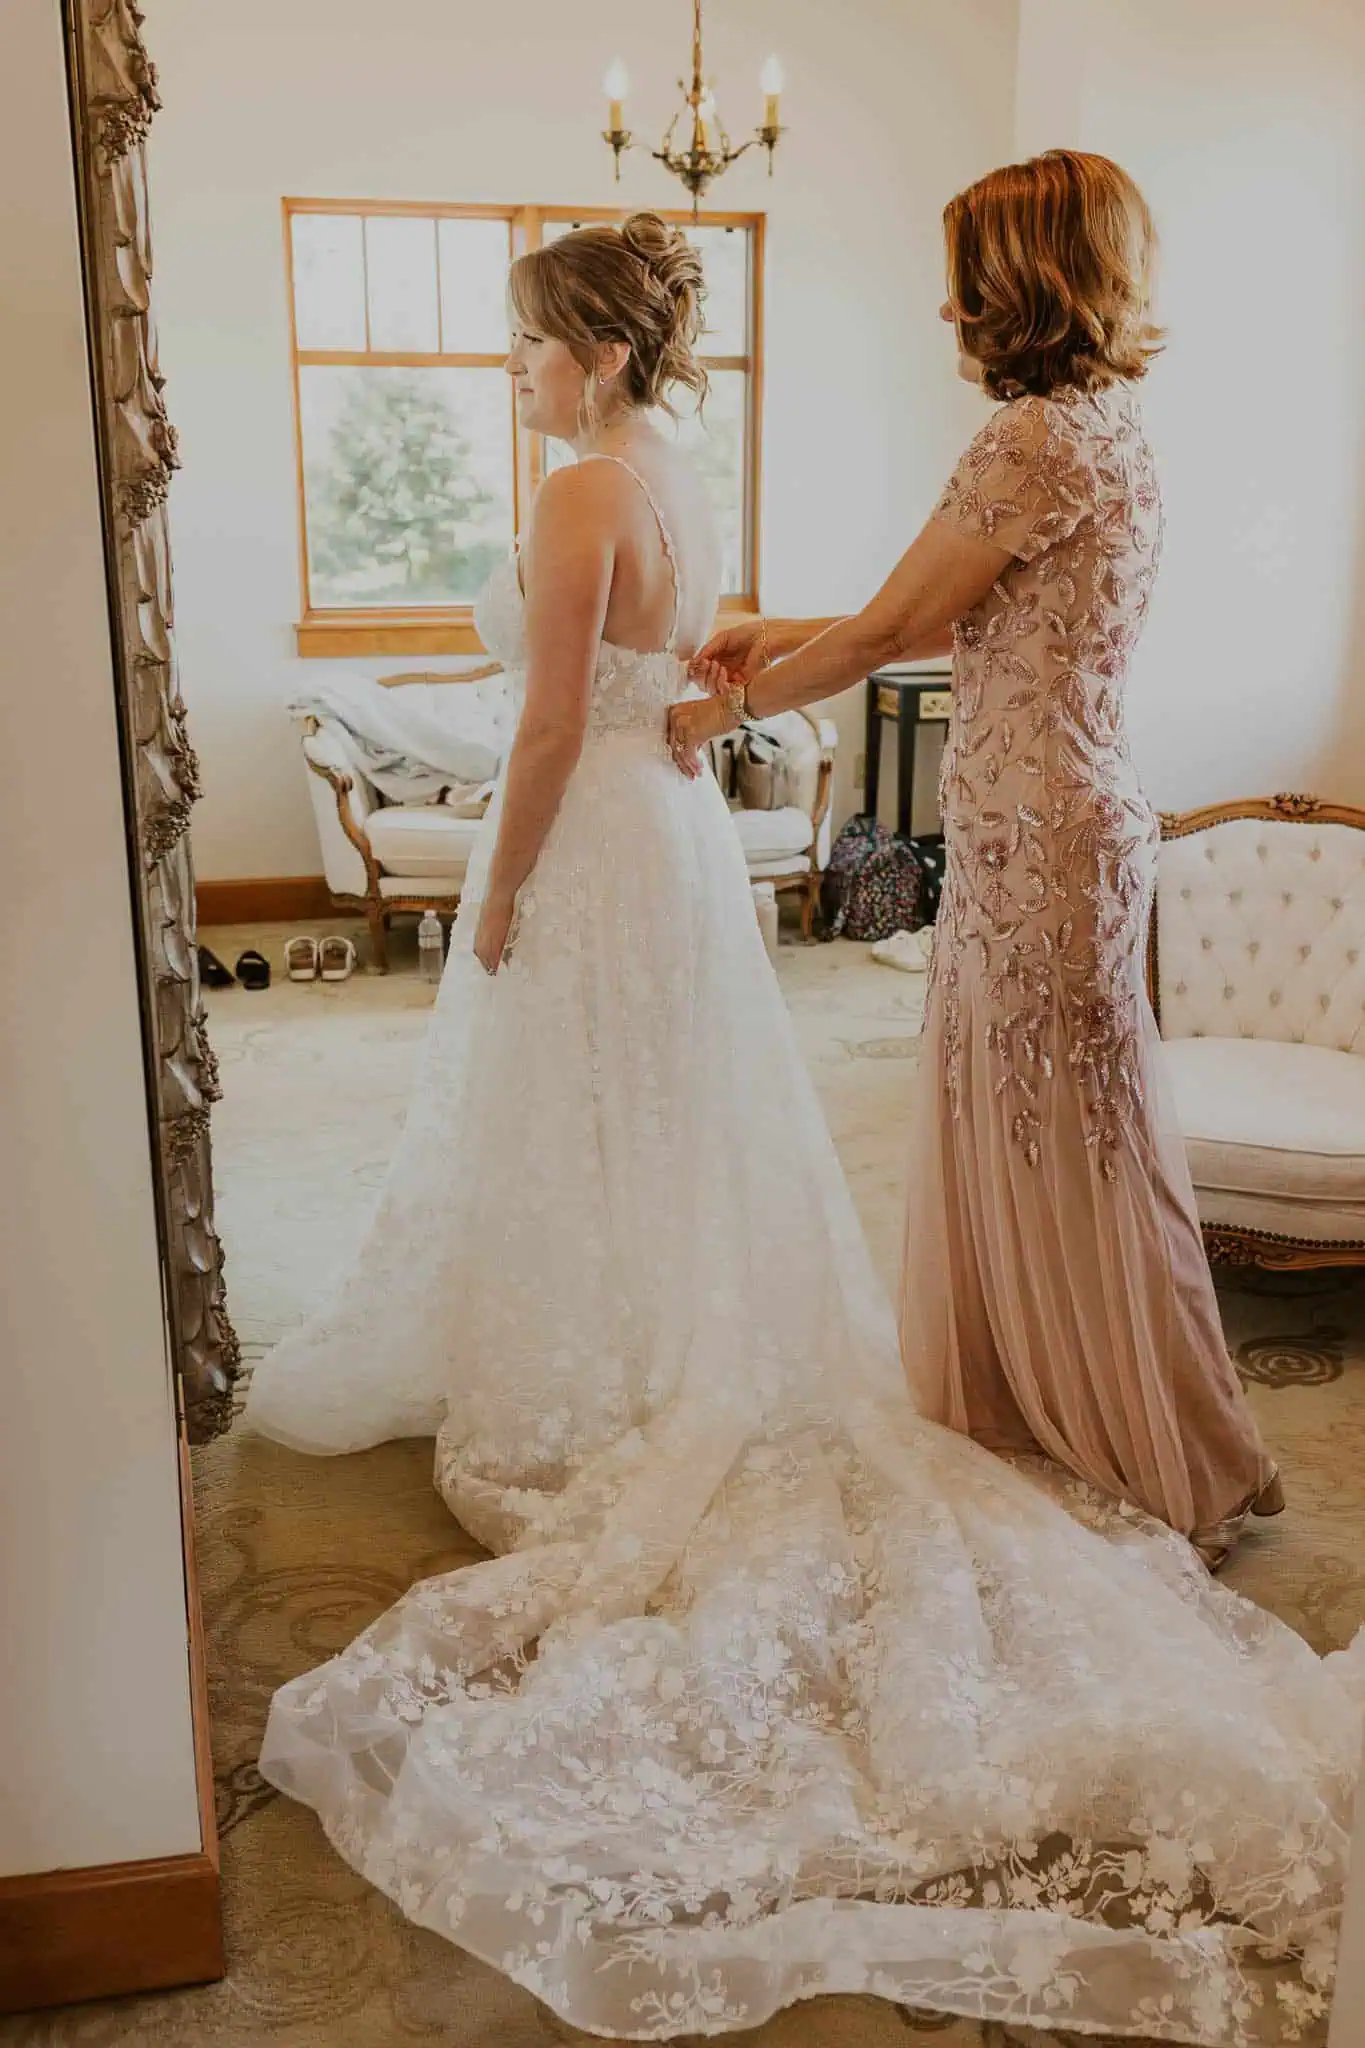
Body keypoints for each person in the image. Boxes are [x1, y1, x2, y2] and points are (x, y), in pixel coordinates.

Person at [247, 210, 1362, 2042]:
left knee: (739, 1120)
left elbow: (815, 649)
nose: (512, 372)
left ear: (589, 354)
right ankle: (1070, 1399)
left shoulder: (973, 445)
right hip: (798, 819)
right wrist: (740, 667)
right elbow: (883, 612)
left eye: (528, 343)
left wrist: (613, 793)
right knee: (802, 1122)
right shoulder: (714, 463)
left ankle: (1095, 1420)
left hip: (737, 822)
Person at [676, 150, 1278, 1572]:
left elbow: (895, 633)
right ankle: (1074, 1404)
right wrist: (786, 629)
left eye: (969, 282)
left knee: (1051, 1129)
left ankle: (1108, 1432)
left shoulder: (1030, 441)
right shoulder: (1109, 429)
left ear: (1021, 283)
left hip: (1037, 834)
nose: (949, 313)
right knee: (1068, 1126)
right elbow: (968, 618)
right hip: (1069, 815)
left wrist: (731, 704)